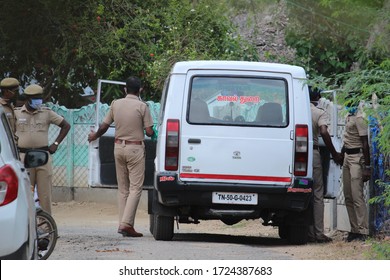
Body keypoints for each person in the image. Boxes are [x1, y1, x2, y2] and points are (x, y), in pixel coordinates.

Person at [88, 76, 154, 237]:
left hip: (118, 148)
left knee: (122, 188)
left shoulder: (115, 104)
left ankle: (123, 224)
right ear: (140, 90)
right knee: (135, 188)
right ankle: (126, 224)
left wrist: (94, 136)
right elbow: (150, 132)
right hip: (135, 149)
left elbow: (104, 126)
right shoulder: (142, 106)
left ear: (125, 89)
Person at [15, 84, 70, 214]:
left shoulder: (47, 113)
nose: (39, 101)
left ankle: (46, 226)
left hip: (42, 156)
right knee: (24, 193)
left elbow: (66, 126)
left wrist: (55, 143)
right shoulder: (16, 113)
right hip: (24, 157)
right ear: (28, 99)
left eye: (40, 98)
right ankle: (26, 225)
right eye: (35, 98)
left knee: (45, 195)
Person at [308, 86, 343, 243]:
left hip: (293, 154)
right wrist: (334, 153)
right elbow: (323, 131)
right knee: (317, 193)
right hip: (313, 153)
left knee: (302, 191)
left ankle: (306, 230)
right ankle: (318, 232)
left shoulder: (295, 110)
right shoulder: (318, 112)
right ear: (317, 98)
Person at [342, 95, 371, 242]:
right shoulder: (349, 115)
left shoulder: (360, 118)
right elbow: (347, 137)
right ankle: (353, 229)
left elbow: (365, 143)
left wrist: (367, 166)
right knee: (348, 195)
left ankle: (363, 230)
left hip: (357, 157)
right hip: (348, 156)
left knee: (357, 195)